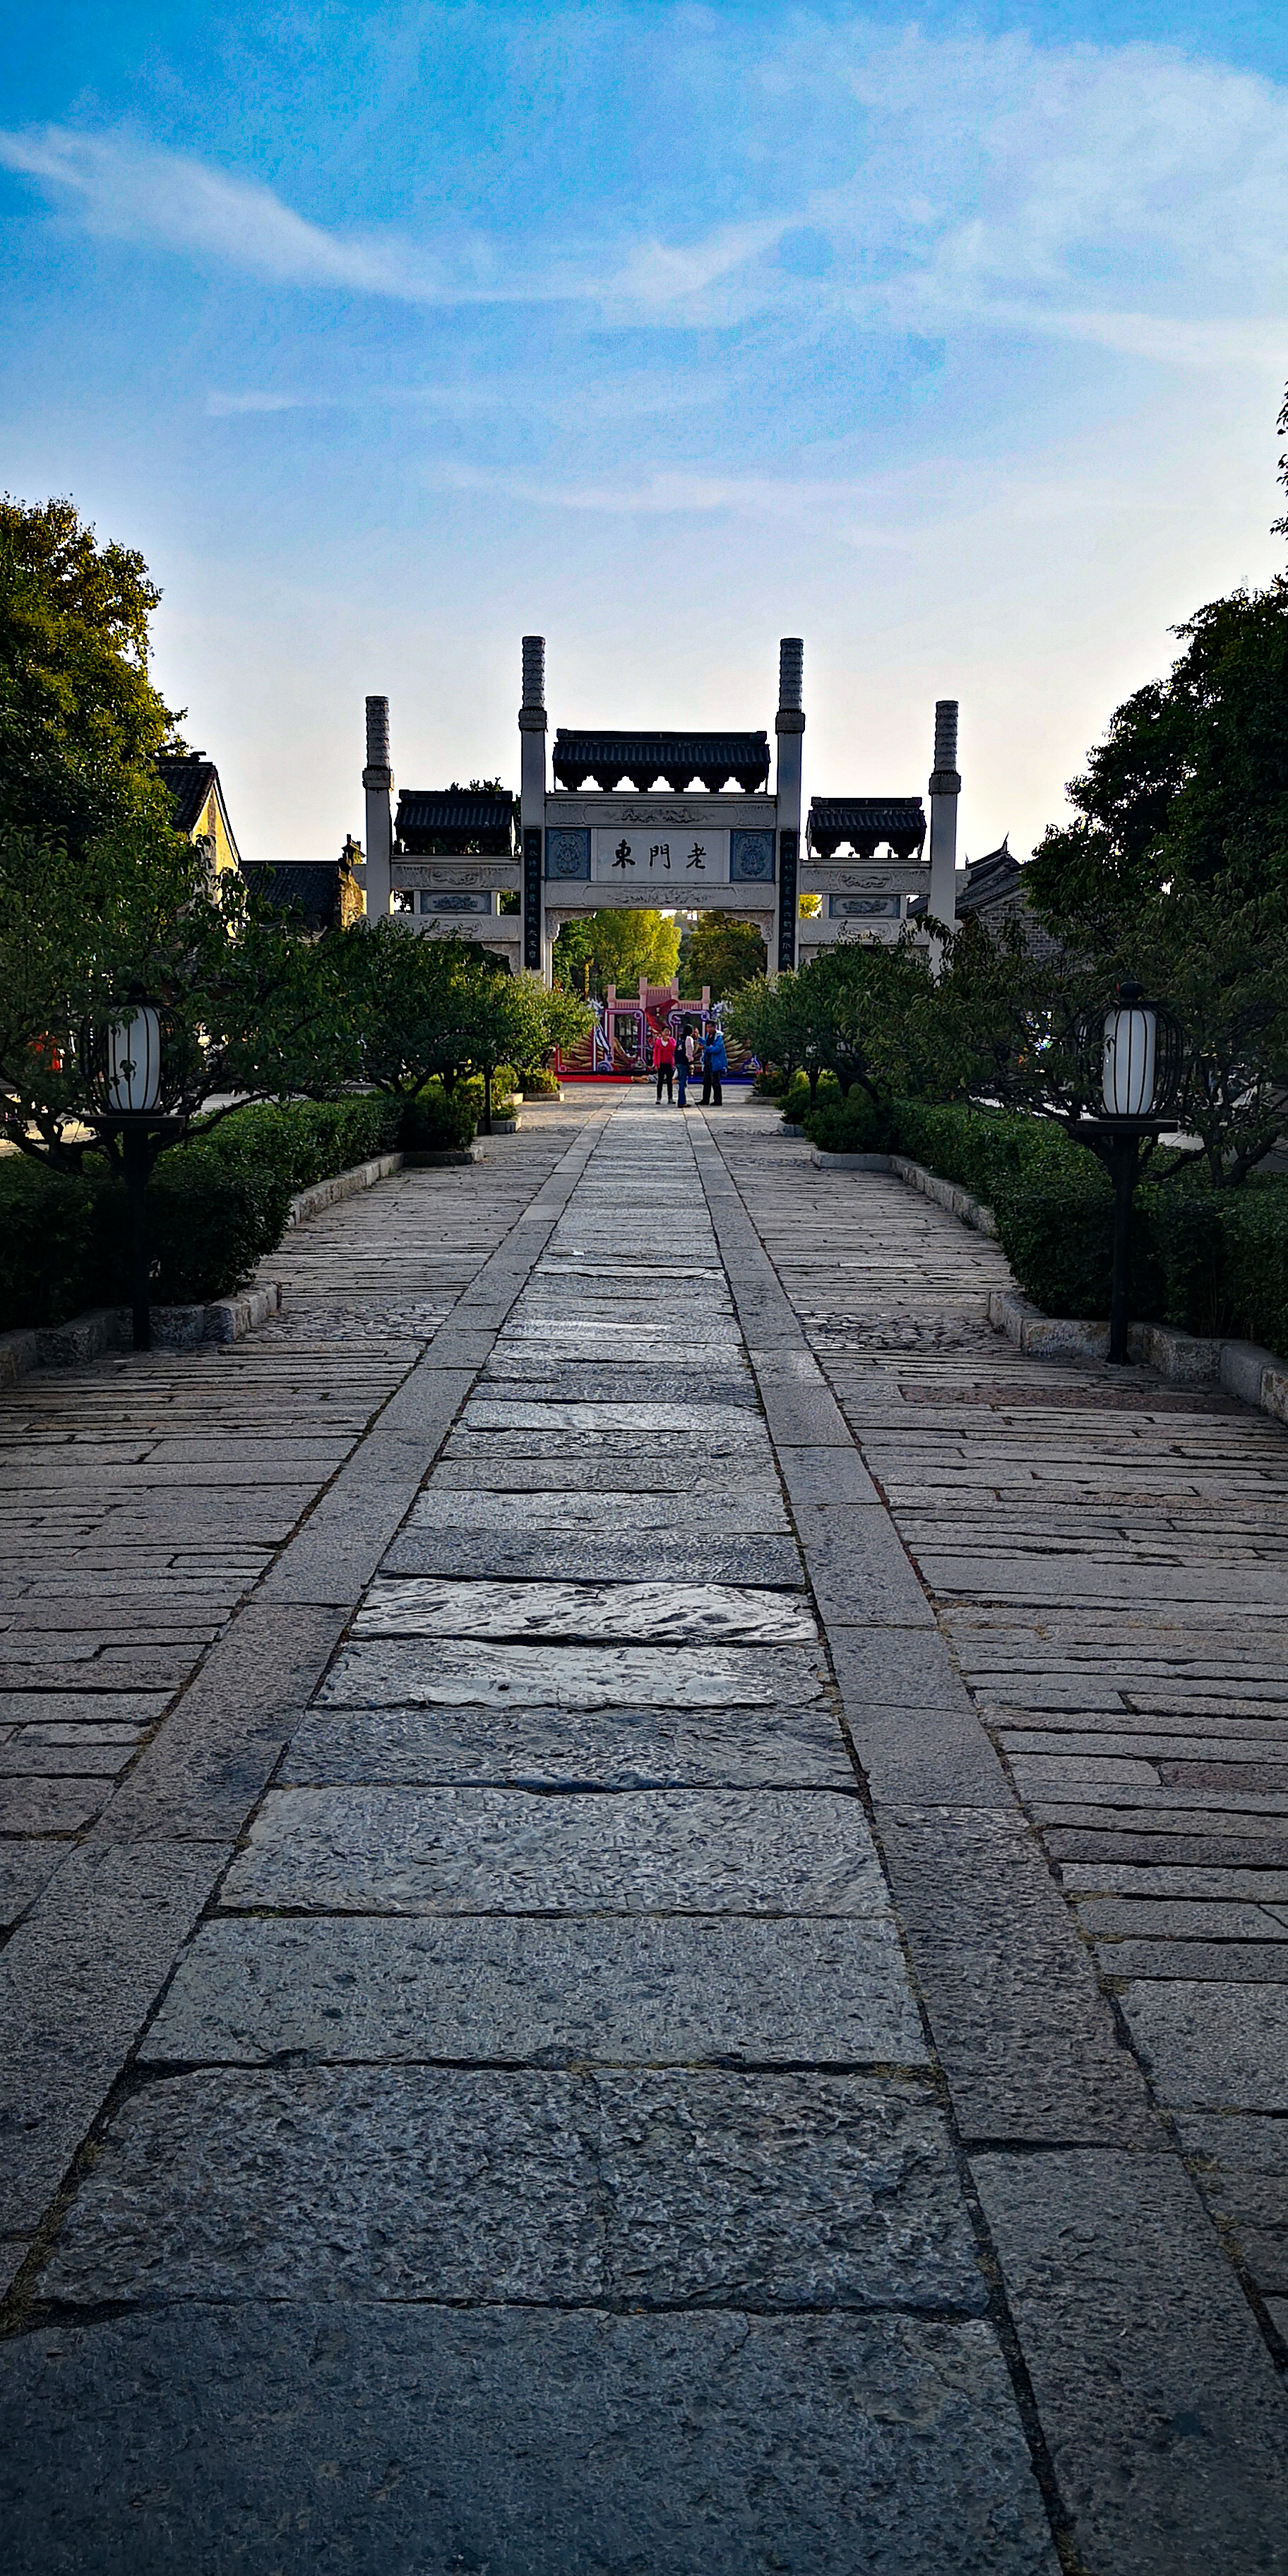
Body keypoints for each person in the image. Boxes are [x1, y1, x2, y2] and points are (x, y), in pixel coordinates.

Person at [701, 1025, 727, 1107]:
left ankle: (718, 1100)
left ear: (714, 1027)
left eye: (710, 1027)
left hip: (715, 1062)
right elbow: (705, 1044)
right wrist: (699, 1039)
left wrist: (706, 1048)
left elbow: (717, 1049)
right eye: (707, 1028)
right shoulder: (708, 1036)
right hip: (707, 1061)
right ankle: (705, 1099)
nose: (708, 1029)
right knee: (706, 1081)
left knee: (715, 1082)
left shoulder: (718, 1037)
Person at [652, 1021, 675, 1104]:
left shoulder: (672, 1041)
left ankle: (670, 1098)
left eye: (668, 1031)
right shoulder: (658, 1042)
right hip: (661, 1063)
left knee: (669, 1082)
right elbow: (655, 1053)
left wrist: (669, 1040)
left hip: (669, 1063)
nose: (667, 1033)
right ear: (662, 1032)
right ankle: (659, 1098)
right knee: (660, 1082)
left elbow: (673, 1048)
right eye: (665, 1031)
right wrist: (655, 1064)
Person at [676, 1029, 690, 1109]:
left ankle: (682, 1101)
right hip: (684, 1062)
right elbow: (689, 1052)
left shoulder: (680, 1040)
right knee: (682, 1082)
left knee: (681, 1081)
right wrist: (691, 1061)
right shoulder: (688, 1039)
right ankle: (681, 1102)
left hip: (678, 1062)